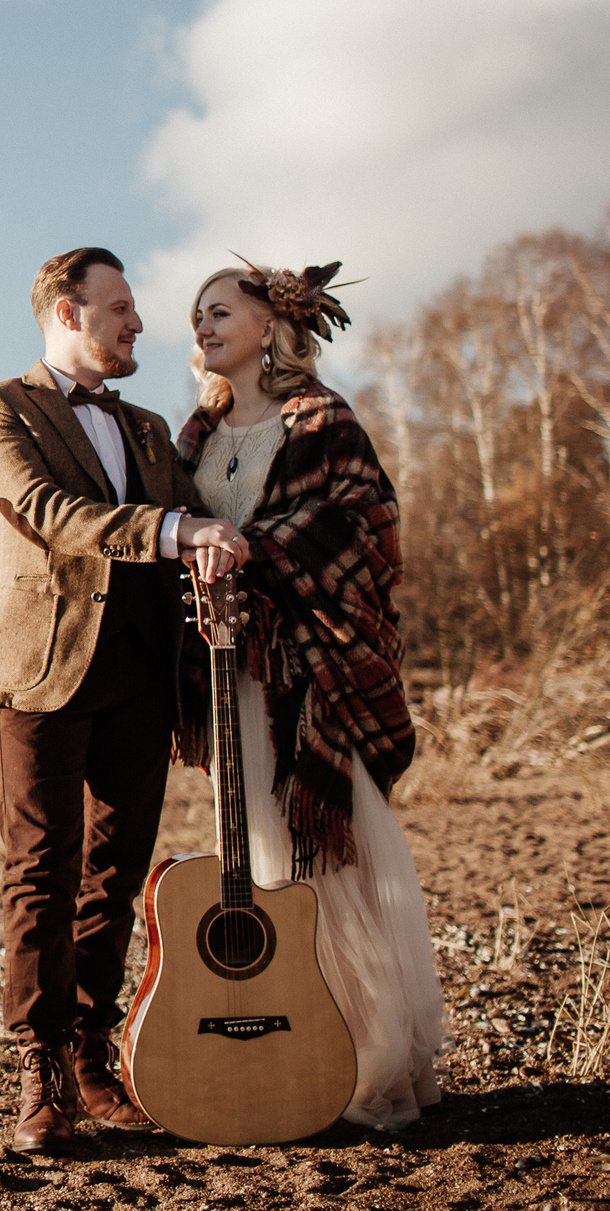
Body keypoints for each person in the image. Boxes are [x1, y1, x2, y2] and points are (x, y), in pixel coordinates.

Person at [0, 246, 250, 1154]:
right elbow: (42, 509)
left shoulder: (156, 428)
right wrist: (174, 528)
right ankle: (39, 1073)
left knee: (115, 877)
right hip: (37, 674)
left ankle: (91, 1058)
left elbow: (219, 496)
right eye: (119, 306)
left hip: (141, 678)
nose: (137, 323)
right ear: (65, 311)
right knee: (38, 873)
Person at [176, 259, 449, 1130]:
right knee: (254, 864)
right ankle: (290, 1051)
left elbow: (366, 519)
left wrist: (254, 550)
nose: (202, 329)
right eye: (196, 317)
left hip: (308, 679)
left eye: (219, 312)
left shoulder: (323, 418)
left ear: (270, 325)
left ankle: (366, 1063)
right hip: (229, 678)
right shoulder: (194, 435)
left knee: (323, 868)